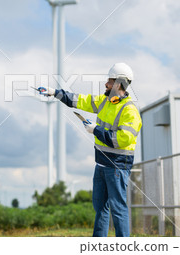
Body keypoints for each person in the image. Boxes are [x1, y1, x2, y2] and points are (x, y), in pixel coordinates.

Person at [38, 63, 142, 237]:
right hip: (101, 164)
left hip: (117, 167)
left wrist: (96, 130)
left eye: (109, 81)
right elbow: (79, 100)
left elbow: (121, 140)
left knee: (118, 208)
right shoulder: (105, 102)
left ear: (119, 83)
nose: (106, 84)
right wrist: (54, 92)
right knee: (100, 208)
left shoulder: (130, 111)